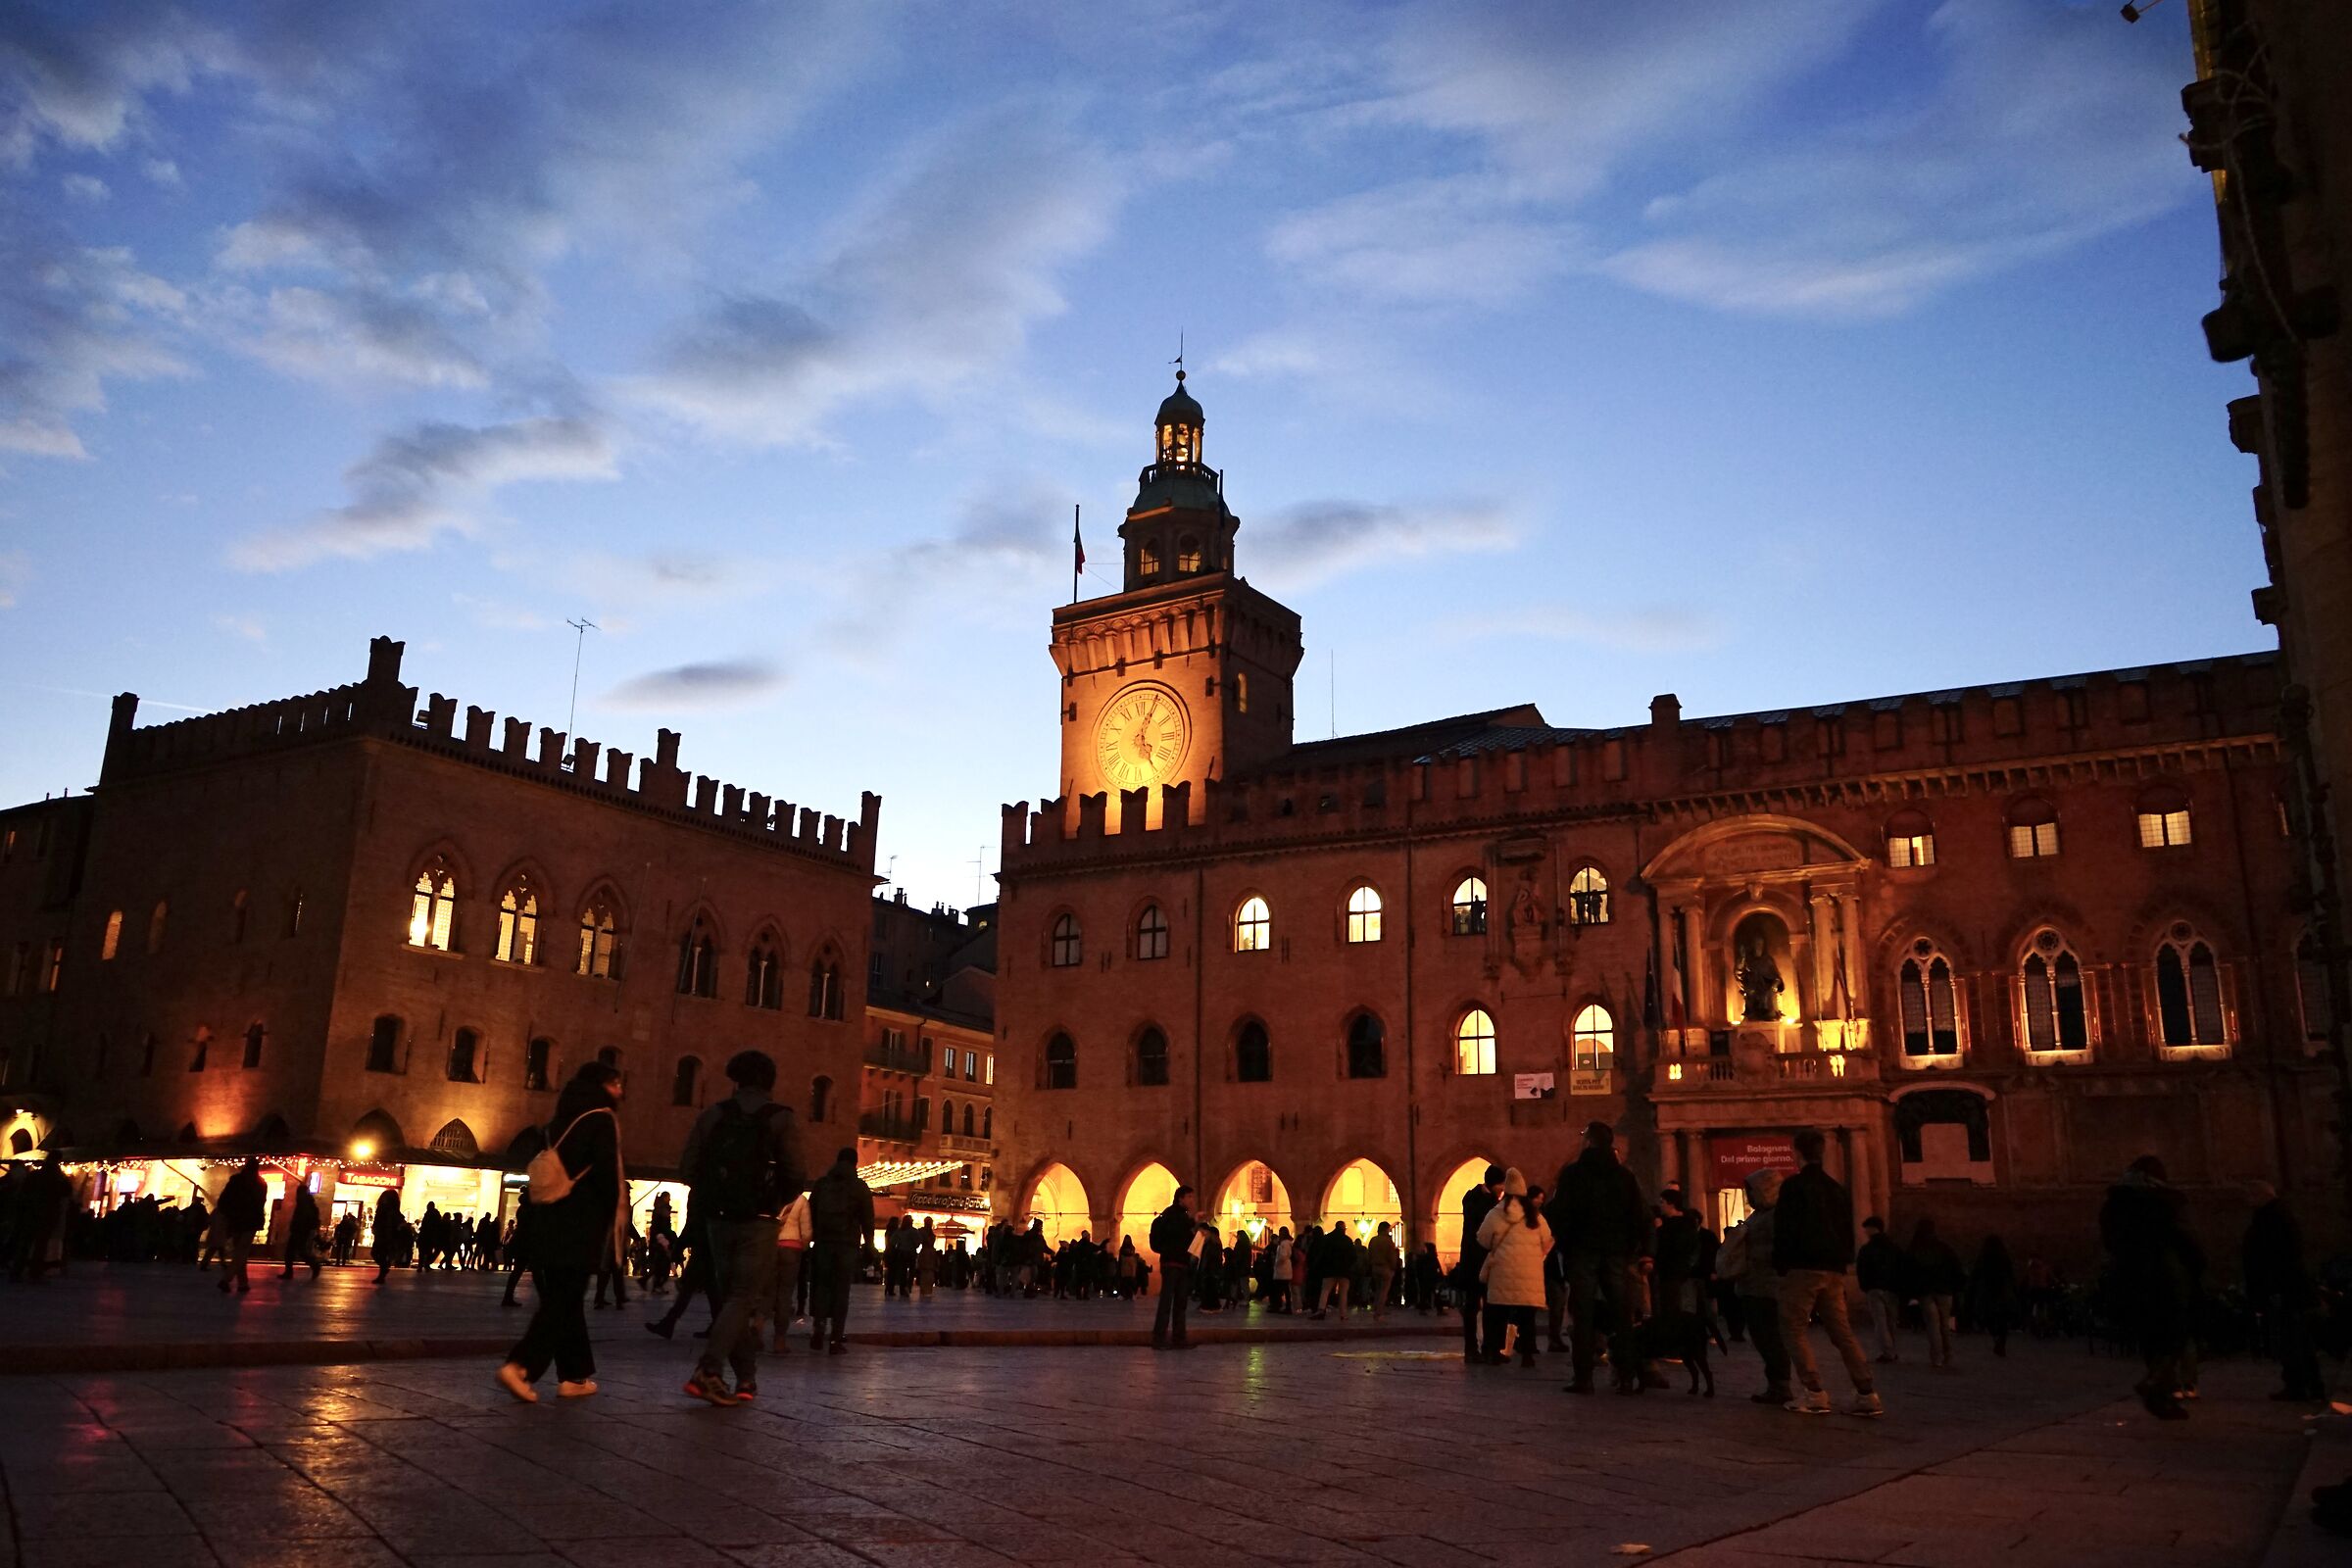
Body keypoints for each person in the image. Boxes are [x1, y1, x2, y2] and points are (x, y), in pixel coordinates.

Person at [678, 1049, 805, 1406]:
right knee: (743, 1297)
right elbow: (796, 1173)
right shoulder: (781, 1119)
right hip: (760, 1221)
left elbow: (687, 1168)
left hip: (718, 1221)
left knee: (730, 1299)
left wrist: (714, 1195)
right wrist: (776, 1202)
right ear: (770, 1082)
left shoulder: (712, 1115)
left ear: (735, 1079)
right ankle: (709, 1369)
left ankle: (746, 1378)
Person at [496, 1061, 624, 1402]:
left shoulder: (557, 1123)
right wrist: (613, 1216)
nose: (620, 1091)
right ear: (603, 1086)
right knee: (563, 1299)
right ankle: (521, 1365)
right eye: (616, 1083)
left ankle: (574, 1376)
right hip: (581, 1222)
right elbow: (608, 1174)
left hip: (548, 1218)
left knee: (565, 1296)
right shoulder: (600, 1118)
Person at [1773, 1128, 1881, 1417]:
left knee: (1793, 1329)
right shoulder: (1836, 1188)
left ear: (1797, 1153)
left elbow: (1784, 1230)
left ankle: (1814, 1391)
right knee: (1842, 1332)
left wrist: (1780, 1266)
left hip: (1801, 1269)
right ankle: (1866, 1392)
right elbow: (1848, 1230)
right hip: (1833, 1270)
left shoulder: (1793, 1187)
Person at [1546, 1124, 1649, 1395]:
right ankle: (1626, 1377)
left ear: (1589, 1142)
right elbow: (1639, 1214)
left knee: (1582, 1315)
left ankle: (1584, 1377)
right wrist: (1637, 1248)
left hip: (1582, 1250)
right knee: (1621, 1314)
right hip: (1616, 1251)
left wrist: (1565, 1243)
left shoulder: (1573, 1174)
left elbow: (1559, 1212)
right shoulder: (1624, 1176)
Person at [2099, 1153, 2199, 1420]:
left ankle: (2162, 1399)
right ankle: (2157, 1383)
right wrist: (2197, 1264)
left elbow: (2109, 1241)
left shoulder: (2115, 1204)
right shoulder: (2166, 1201)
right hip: (2164, 1276)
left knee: (2151, 1339)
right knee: (2176, 1335)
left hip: (2129, 1278)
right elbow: (2183, 1238)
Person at [2242, 1180, 2325, 1402]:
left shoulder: (2272, 1218)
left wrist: (2271, 1287)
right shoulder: (2276, 1216)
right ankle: (2300, 1384)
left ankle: (2305, 1385)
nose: (2247, 1200)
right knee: (2293, 1339)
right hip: (2285, 1288)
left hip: (2283, 1289)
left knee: (2293, 1339)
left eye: (2250, 1195)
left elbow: (2273, 1255)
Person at [1719, 1169, 1790, 1406]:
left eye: (1752, 1190)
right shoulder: (1759, 1214)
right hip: (1752, 1283)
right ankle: (1776, 1382)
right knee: (1761, 1335)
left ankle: (1781, 1384)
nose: (1749, 1195)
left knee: (1770, 1336)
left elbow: (1775, 1249)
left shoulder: (1777, 1215)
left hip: (1768, 1285)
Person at [1476, 1169, 1553, 1366]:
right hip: (1530, 1274)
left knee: (1497, 1313)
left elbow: (1482, 1239)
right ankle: (1527, 1355)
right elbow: (1548, 1239)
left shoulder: (1496, 1213)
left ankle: (1494, 1350)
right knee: (1527, 1317)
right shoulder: (1535, 1216)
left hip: (1502, 1273)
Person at [806, 1147, 874, 1354]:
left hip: (823, 1244)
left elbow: (811, 1213)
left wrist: (813, 1238)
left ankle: (818, 1331)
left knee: (822, 1287)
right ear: (855, 1163)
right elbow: (867, 1220)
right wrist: (869, 1245)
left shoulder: (822, 1184)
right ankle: (835, 1339)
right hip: (846, 1246)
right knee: (841, 1291)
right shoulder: (860, 1187)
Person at [1456, 1164, 1504, 1362]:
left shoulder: (1481, 1199)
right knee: (1473, 1305)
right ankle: (1472, 1349)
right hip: (1475, 1261)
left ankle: (1489, 1348)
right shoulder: (1477, 1201)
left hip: (1484, 1261)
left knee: (1490, 1304)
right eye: (1501, 1185)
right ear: (1495, 1183)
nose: (1502, 1190)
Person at [1908, 1217, 1965, 1371]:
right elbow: (1956, 1268)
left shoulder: (1915, 1249)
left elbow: (1909, 1272)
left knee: (1933, 1325)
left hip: (1925, 1292)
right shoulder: (1944, 1248)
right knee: (1944, 1324)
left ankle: (1937, 1357)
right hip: (1944, 1290)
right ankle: (1948, 1354)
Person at [1150, 1184, 1201, 1349]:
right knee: (1167, 1301)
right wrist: (1193, 1222)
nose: (1192, 1200)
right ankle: (1159, 1339)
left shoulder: (1183, 1216)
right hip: (1171, 1263)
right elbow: (1175, 1233)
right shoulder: (1171, 1214)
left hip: (1181, 1263)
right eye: (1189, 1197)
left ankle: (1179, 1338)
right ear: (1181, 1198)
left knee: (1180, 1302)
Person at [1855, 1216, 1906, 1363]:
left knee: (1880, 1322)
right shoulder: (1894, 1247)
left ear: (1872, 1228)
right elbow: (1901, 1267)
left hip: (1875, 1288)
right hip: (1892, 1289)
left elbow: (1862, 1269)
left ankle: (1887, 1351)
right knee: (1891, 1322)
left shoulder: (1867, 1249)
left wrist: (1865, 1285)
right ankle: (1892, 1350)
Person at [214, 1157, 267, 1295]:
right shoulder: (260, 1183)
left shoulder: (236, 1180)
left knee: (239, 1251)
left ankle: (243, 1283)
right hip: (251, 1221)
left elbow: (224, 1200)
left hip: (236, 1220)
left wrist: (228, 1215)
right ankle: (226, 1279)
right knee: (242, 1252)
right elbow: (260, 1204)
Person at [772, 1186, 811, 1349]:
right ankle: (779, 1339)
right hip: (792, 1248)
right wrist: (804, 1246)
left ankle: (758, 1326)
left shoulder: (775, 1197)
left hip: (772, 1247)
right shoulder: (801, 1201)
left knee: (767, 1290)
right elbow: (807, 1231)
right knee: (784, 1293)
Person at [1968, 1235, 2019, 1359]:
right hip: (2003, 1292)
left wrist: (1971, 1288)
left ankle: (1996, 1337)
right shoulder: (2004, 1258)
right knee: (2003, 1318)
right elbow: (2011, 1275)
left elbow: (1976, 1274)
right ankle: (2001, 1340)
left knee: (1988, 1316)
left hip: (1988, 1292)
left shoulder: (1983, 1258)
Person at [279, 1181, 322, 1280]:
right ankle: (290, 1272)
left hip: (300, 1230)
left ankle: (314, 1266)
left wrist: (296, 1227)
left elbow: (302, 1217)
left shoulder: (303, 1202)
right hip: (301, 1230)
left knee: (297, 1251)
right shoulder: (307, 1202)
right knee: (294, 1251)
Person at [1365, 1222, 1400, 1320]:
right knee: (1384, 1292)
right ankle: (1379, 1313)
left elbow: (1369, 1254)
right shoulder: (1388, 1241)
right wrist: (1393, 1268)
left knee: (1377, 1290)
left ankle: (1376, 1309)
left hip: (1375, 1267)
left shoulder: (1373, 1240)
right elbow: (1391, 1257)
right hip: (1386, 1268)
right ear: (1386, 1229)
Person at [371, 1189, 404, 1284]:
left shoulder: (388, 1209)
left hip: (385, 1234)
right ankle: (384, 1270)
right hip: (384, 1234)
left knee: (378, 1253)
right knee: (379, 1253)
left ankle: (383, 1272)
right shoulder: (389, 1209)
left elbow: (384, 1221)